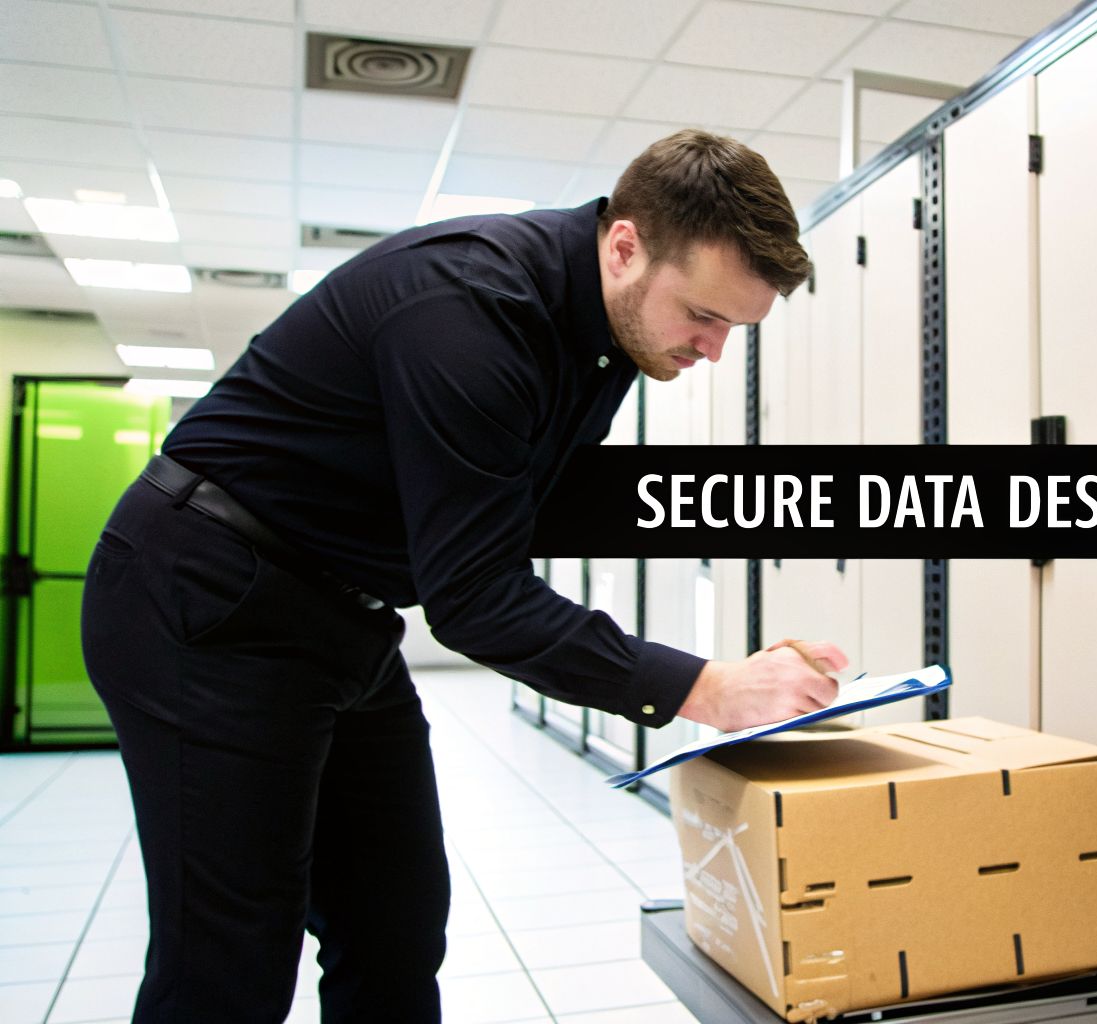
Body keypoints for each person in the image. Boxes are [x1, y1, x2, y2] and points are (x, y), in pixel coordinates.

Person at [80, 129, 848, 1023]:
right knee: (230, 957)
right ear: (626, 245)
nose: (713, 349)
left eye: (734, 328)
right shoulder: (469, 309)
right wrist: (709, 687)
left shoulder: (606, 333)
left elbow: (511, 501)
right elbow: (475, 596)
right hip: (208, 595)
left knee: (395, 929)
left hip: (344, 615)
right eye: (704, 316)